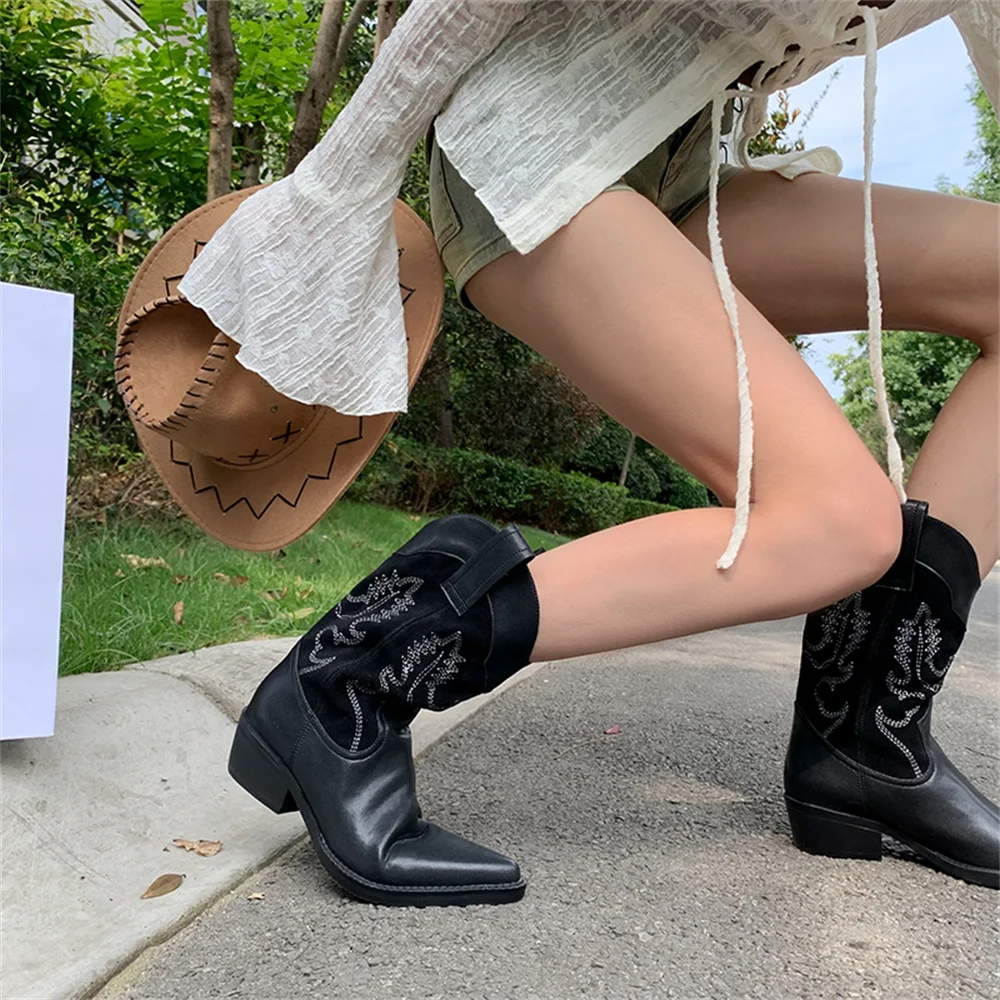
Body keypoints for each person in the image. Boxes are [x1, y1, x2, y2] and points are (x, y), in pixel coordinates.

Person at [200, 1, 998, 906]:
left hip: (691, 177)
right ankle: (349, 680)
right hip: (538, 143)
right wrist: (333, 192)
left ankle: (868, 745)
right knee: (843, 525)